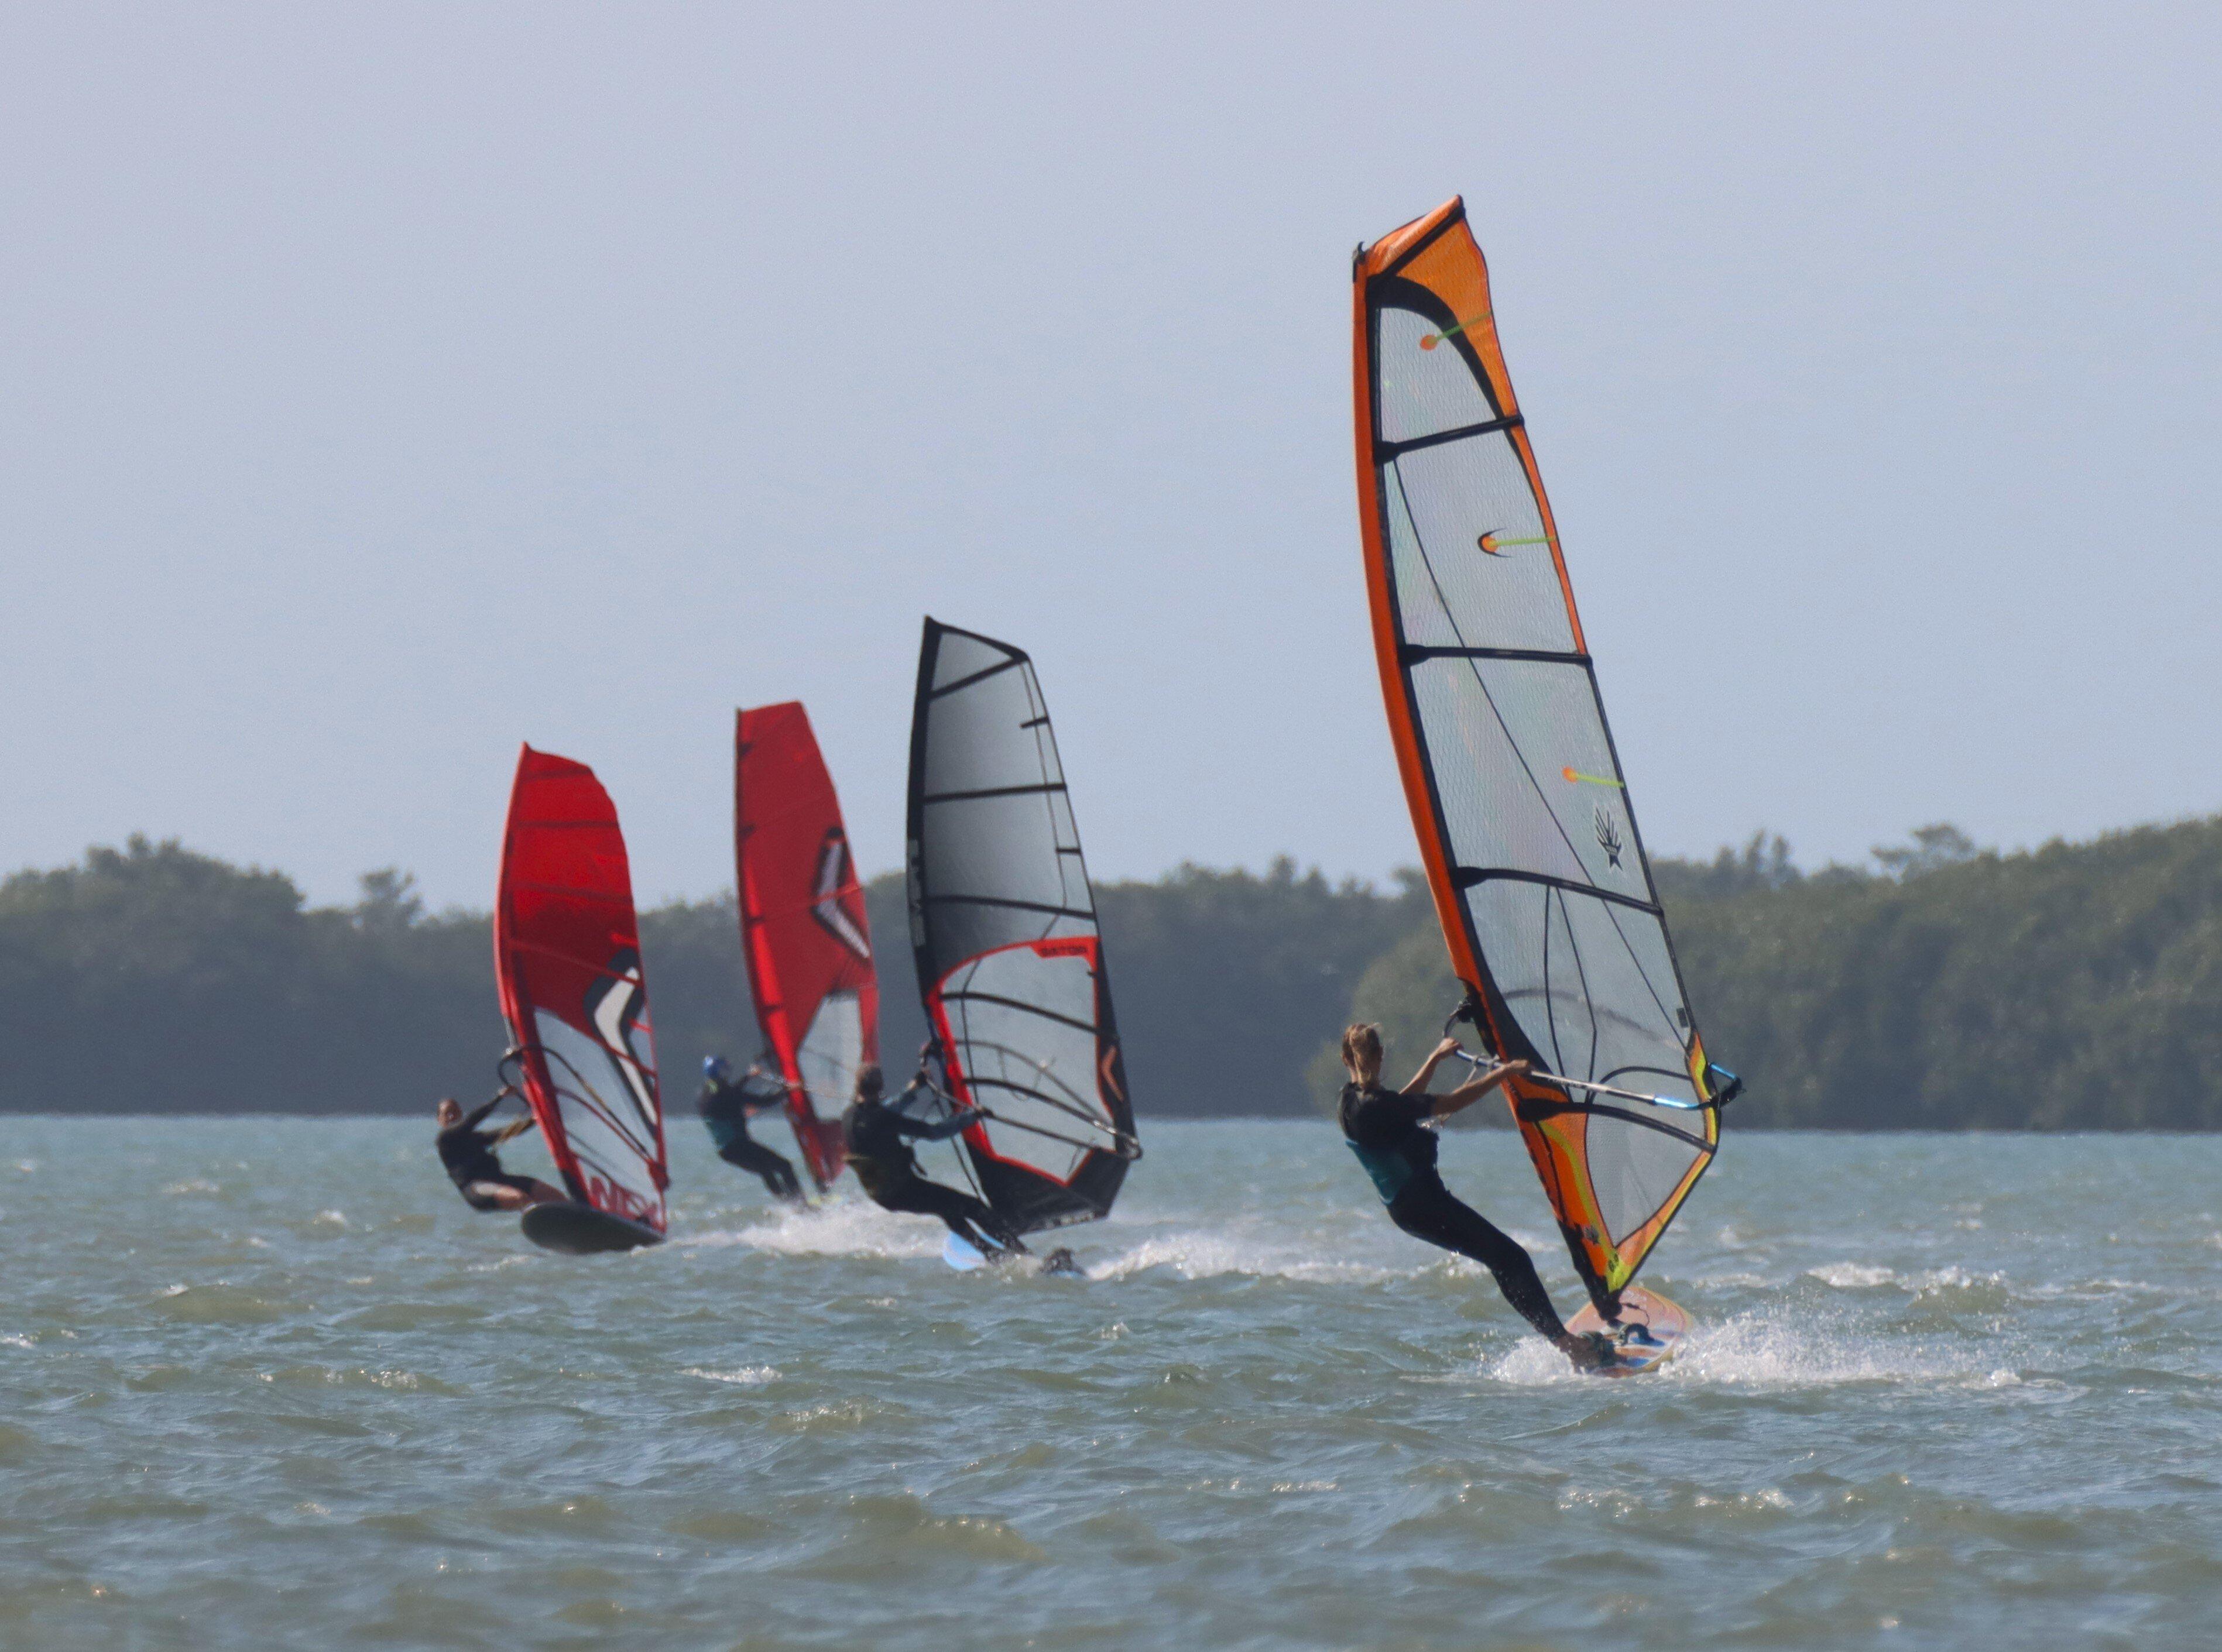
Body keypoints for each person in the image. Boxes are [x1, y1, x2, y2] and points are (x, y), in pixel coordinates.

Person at [1337, 1022, 1618, 1372]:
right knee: (1511, 1259)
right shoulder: (1377, 1106)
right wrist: (1504, 1073)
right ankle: (1572, 1349)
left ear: (1346, 1057)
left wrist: (1434, 1060)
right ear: (1381, 1056)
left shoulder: (1350, 1101)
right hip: (1424, 1206)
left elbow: (1401, 1104)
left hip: (1410, 1208)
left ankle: (1565, 1343)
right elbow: (1449, 1101)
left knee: (1503, 1258)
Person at [842, 1062, 1024, 1255]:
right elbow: (934, 1132)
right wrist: (972, 1116)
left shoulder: (849, 1116)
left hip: (884, 1196)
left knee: (949, 1210)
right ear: (880, 1088)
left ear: (857, 1086)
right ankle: (1021, 1254)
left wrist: (914, 1088)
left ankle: (995, 1256)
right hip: (904, 1190)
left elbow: (886, 1110)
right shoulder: (883, 1118)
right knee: (973, 1206)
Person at [435, 1091, 565, 1213]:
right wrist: (499, 1098)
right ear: (440, 1120)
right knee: (519, 1198)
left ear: (460, 1113)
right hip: (477, 1187)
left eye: (455, 1112)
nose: (452, 1116)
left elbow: (505, 1133)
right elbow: (470, 1121)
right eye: (447, 1113)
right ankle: (544, 1230)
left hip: (499, 1180)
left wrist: (533, 1120)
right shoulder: (445, 1139)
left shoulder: (475, 1138)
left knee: (554, 1196)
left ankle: (574, 1223)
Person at [699, 1056, 805, 1202]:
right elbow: (765, 1102)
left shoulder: (707, 1093)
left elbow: (729, 1095)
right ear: (721, 1073)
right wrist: (789, 1090)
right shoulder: (728, 1094)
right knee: (784, 1166)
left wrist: (748, 1077)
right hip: (739, 1146)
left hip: (726, 1151)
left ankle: (792, 1205)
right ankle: (800, 1204)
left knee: (765, 1170)